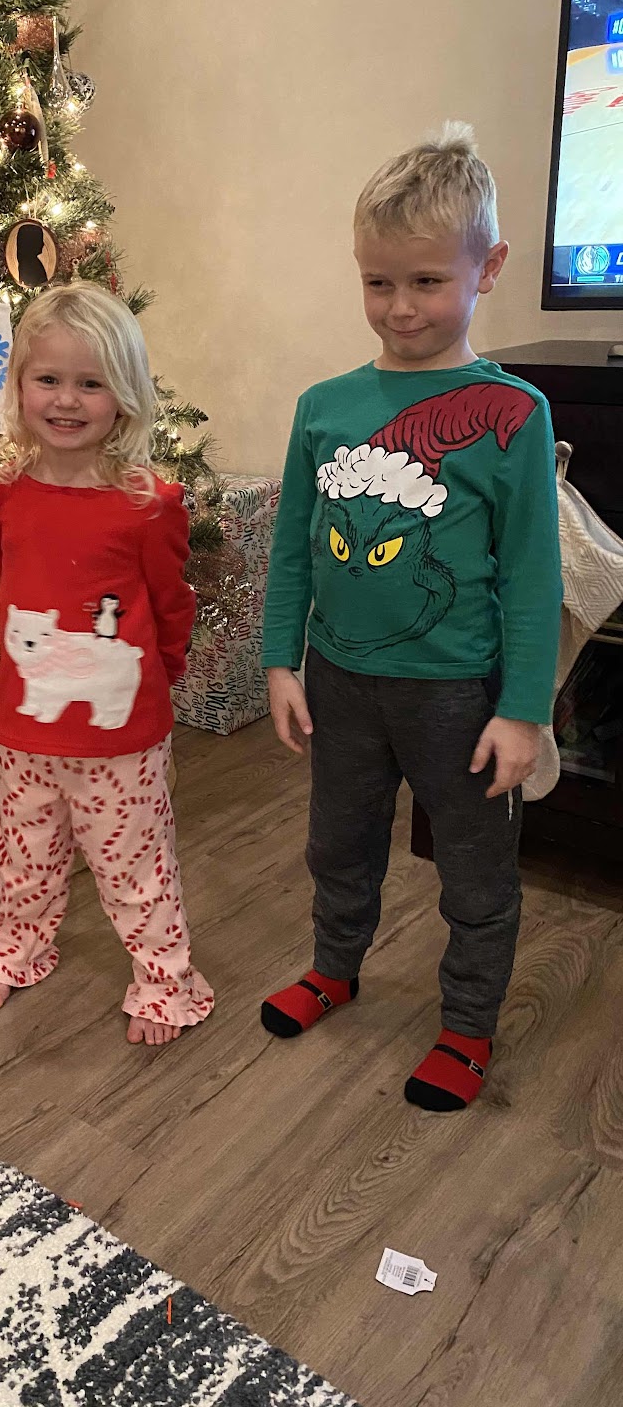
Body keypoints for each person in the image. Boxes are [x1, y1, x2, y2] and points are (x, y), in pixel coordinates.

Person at [260, 123, 561, 1110]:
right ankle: (333, 967)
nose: (400, 306)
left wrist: (524, 710)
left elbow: (532, 575)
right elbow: (295, 545)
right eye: (378, 282)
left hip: (459, 698)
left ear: (488, 269)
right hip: (340, 683)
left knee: (475, 872)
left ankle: (467, 1025)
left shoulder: (515, 414)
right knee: (336, 845)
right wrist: (280, 661)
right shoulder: (323, 407)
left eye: (427, 281)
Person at [0, 282, 213, 1046]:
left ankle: (164, 980)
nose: (67, 400)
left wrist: (154, 683)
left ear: (124, 395)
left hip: (121, 738)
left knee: (135, 868)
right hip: (26, 725)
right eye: (48, 379)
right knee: (21, 854)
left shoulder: (149, 503)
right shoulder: (4, 489)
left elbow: (171, 605)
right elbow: (12, 581)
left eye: (91, 383)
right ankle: (15, 944)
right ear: (20, 385)